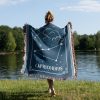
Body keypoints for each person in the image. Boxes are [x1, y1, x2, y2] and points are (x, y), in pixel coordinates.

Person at [45, 11, 56, 96]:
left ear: (45, 19)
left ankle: (52, 88)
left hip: (45, 54)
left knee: (48, 72)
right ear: (53, 19)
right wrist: (68, 27)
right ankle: (50, 88)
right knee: (51, 72)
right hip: (54, 54)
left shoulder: (43, 29)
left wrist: (27, 29)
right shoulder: (56, 29)